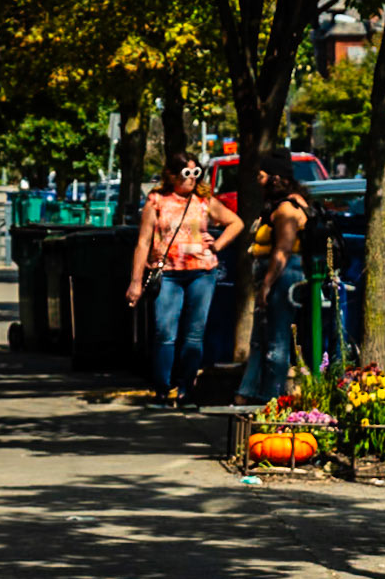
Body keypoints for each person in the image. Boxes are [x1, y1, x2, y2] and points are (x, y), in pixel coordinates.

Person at [126, 152, 244, 407]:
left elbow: (235, 223)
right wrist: (136, 281)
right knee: (164, 332)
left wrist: (218, 244)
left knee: (194, 334)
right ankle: (163, 389)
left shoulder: (203, 200)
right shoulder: (156, 201)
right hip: (167, 273)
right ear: (171, 175)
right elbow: (143, 242)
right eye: (185, 173)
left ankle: (185, 390)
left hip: (202, 271)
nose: (191, 179)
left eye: (195, 173)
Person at [236, 152, 309, 405]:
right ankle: (250, 392)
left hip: (284, 276)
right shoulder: (281, 205)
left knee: (277, 340)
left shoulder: (288, 209)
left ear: (276, 178)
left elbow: (283, 250)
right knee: (262, 338)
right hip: (277, 274)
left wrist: (267, 284)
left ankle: (271, 398)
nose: (258, 180)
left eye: (262, 175)